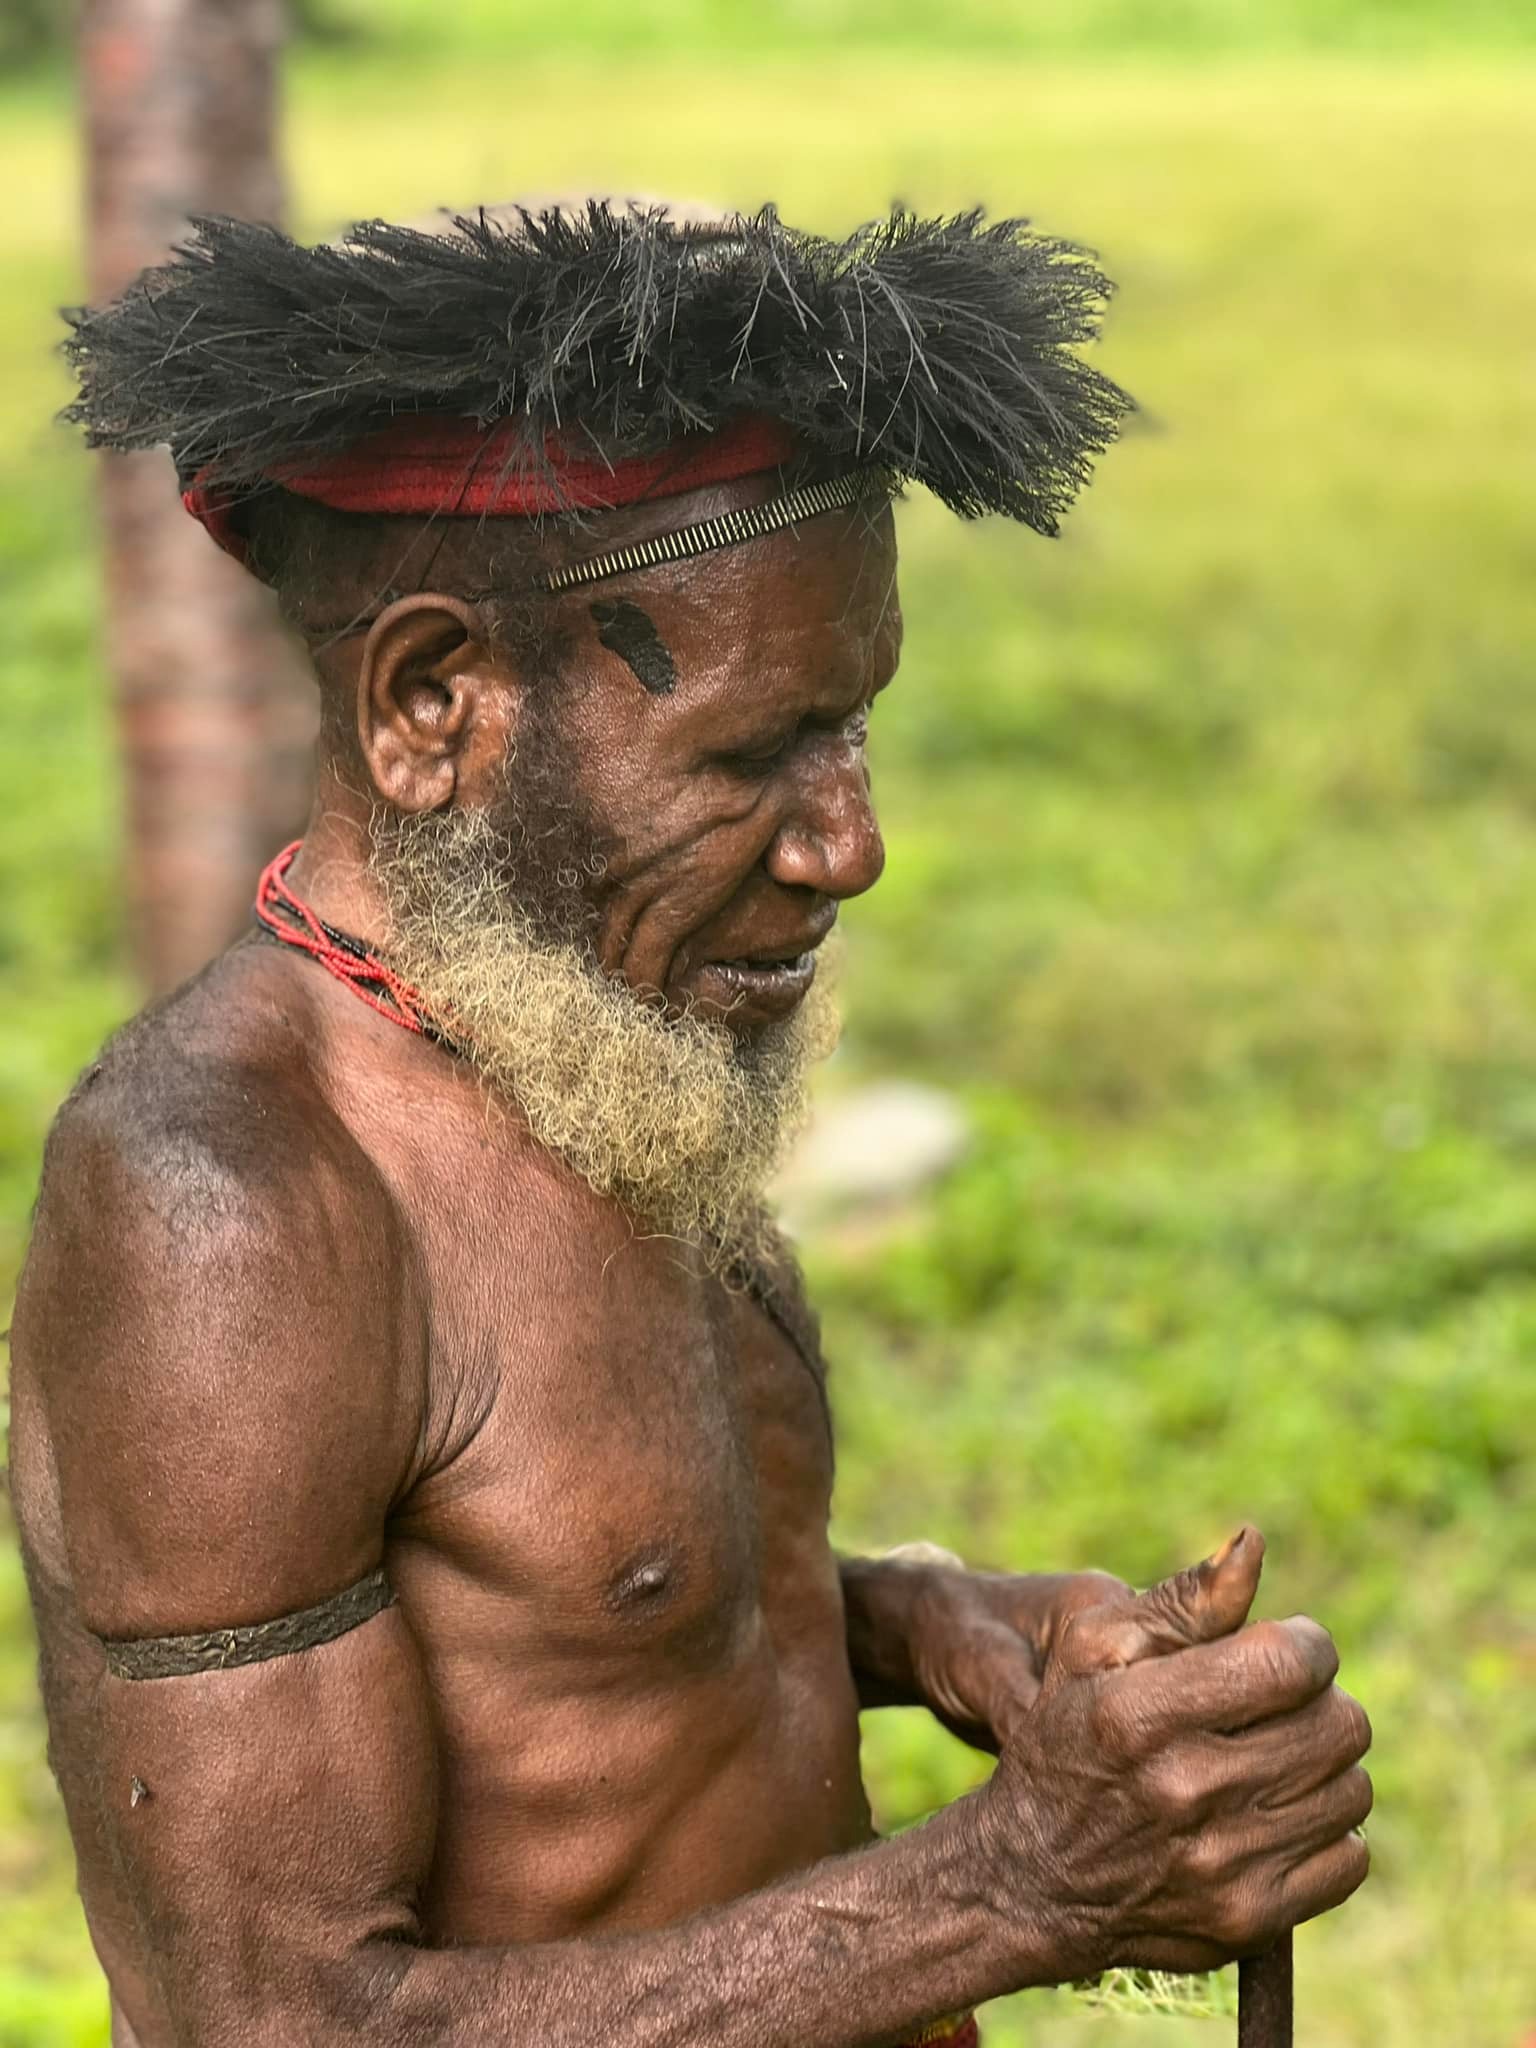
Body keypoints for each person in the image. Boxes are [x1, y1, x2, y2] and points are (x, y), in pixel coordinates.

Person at [10, 201, 1370, 2048]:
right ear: (431, 704)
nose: (853, 846)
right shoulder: (230, 1211)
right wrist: (1018, 1886)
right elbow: (273, 2020)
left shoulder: (592, 1038)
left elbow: (590, 1617)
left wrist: (938, 1621)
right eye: (751, 754)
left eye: (855, 727)